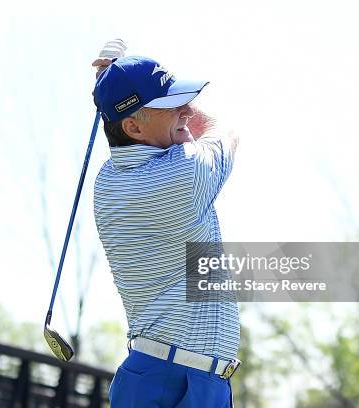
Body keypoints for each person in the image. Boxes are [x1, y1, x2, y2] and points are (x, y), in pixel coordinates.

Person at [92, 54, 241, 407]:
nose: (187, 111)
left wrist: (110, 86)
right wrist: (110, 86)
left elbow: (125, 127)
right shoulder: (184, 173)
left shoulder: (108, 181)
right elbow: (224, 130)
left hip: (196, 380)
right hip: (167, 381)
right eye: (174, 105)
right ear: (134, 129)